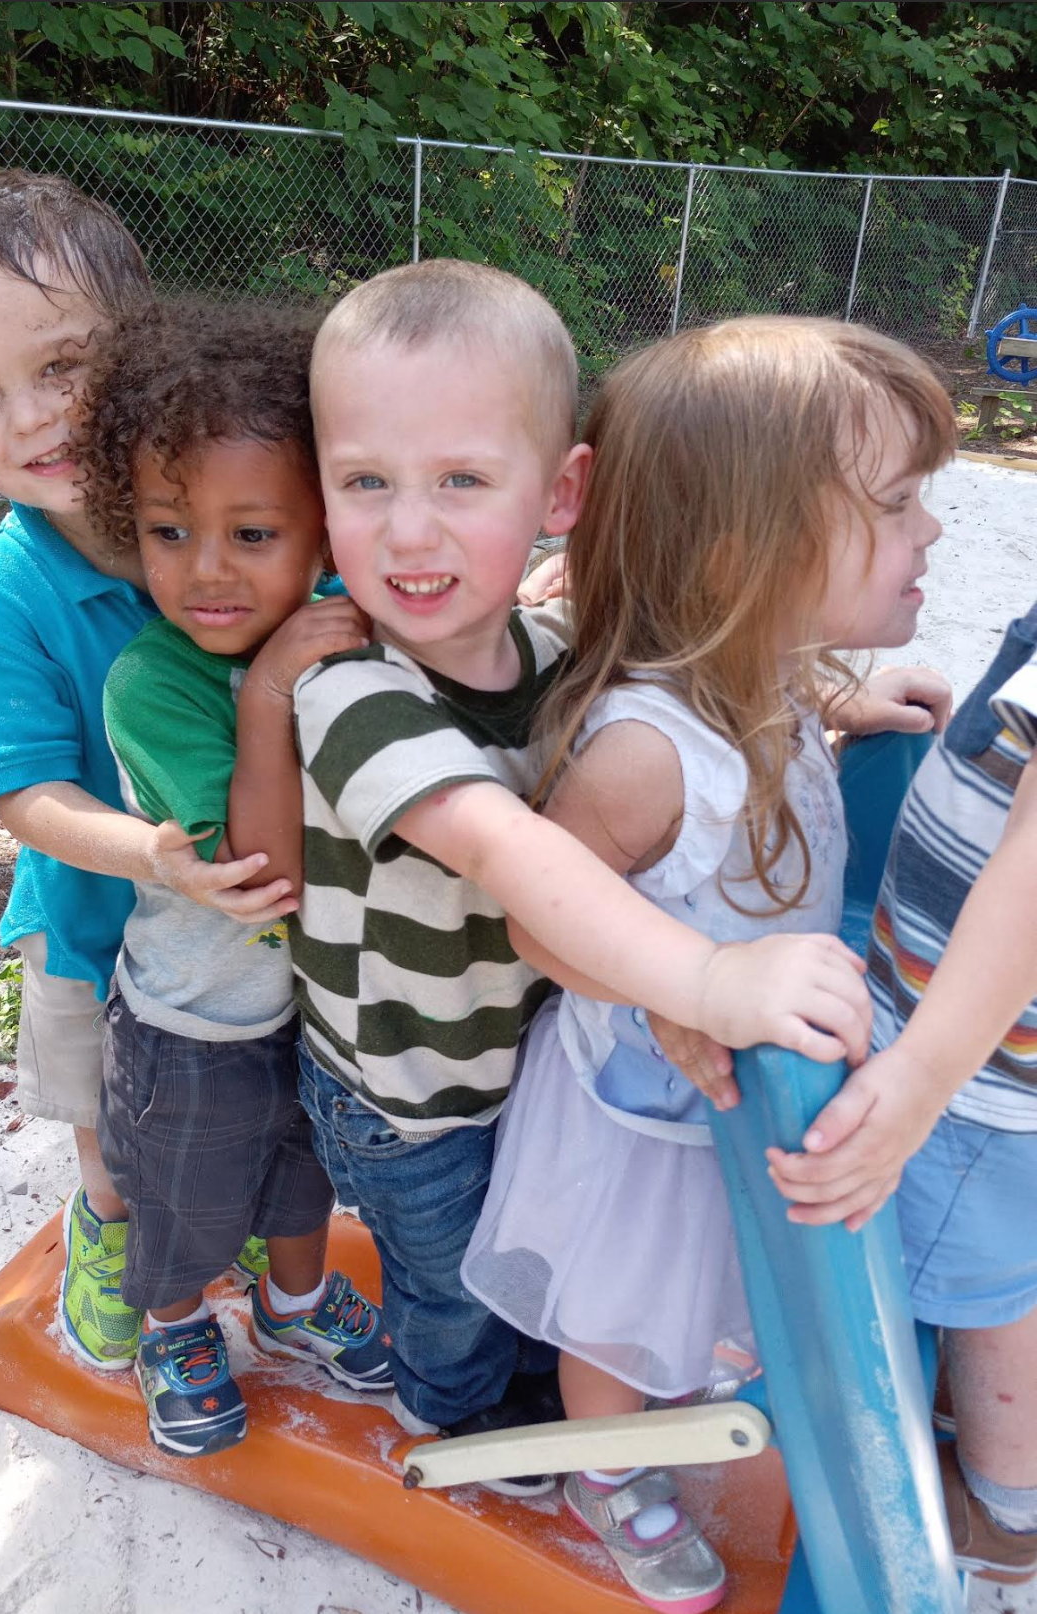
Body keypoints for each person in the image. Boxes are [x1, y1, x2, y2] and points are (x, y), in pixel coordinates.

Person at [236, 261, 878, 1499]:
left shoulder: (546, 642)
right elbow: (503, 848)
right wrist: (705, 976)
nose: (408, 531)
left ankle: (517, 1379)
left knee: (520, 1250)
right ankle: (456, 1421)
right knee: (449, 1287)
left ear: (559, 493)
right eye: (364, 482)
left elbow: (685, 665)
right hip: (406, 1094)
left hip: (518, 1058)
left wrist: (830, 697)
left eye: (461, 481)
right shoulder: (353, 693)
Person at [460, 315, 956, 1610]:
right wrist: (684, 981)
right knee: (620, 1303)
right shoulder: (646, 751)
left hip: (733, 1097)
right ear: (749, 560)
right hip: (645, 1110)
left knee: (708, 1279)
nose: (933, 533)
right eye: (899, 504)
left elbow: (771, 682)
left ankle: (664, 1403)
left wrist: (847, 700)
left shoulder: (760, 668)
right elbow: (536, 914)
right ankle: (606, 1465)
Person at [0, 171, 292, 1374]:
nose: (29, 418)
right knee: (110, 1127)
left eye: (61, 367)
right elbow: (20, 793)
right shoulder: (4, 591)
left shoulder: (236, 509)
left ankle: (238, 1227)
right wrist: (152, 856)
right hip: (90, 920)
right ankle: (111, 1237)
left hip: (251, 927)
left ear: (143, 349)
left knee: (259, 1100)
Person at [73, 297, 390, 1457]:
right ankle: (172, 1326)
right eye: (166, 531)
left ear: (320, 534)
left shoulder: (331, 624)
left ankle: (294, 1306)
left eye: (251, 535)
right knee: (184, 1200)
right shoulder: (151, 684)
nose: (204, 570)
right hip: (191, 1020)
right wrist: (264, 697)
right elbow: (262, 867)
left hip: (309, 1011)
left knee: (301, 1181)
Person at [767, 602, 1037, 1585]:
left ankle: (1006, 1503)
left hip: (977, 1066)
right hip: (973, 1030)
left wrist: (923, 1072)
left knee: (983, 1282)